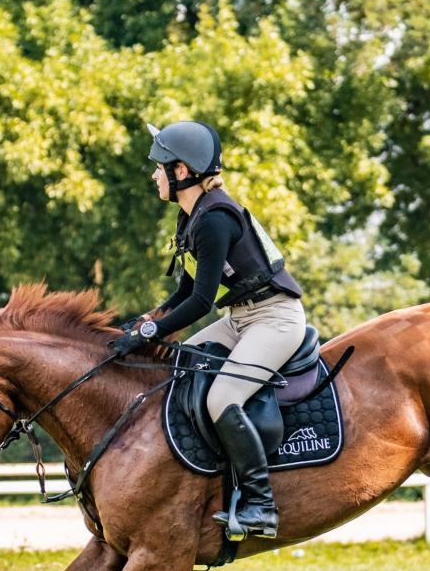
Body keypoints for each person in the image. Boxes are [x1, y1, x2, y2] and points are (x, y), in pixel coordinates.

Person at [110, 120, 306, 539]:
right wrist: (150, 320)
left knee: (222, 396)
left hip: (275, 319)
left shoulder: (213, 220)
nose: (154, 175)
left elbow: (200, 304)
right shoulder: (191, 217)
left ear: (182, 171)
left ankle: (261, 505)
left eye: (160, 167)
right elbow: (186, 289)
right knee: (178, 369)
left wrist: (151, 333)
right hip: (240, 319)